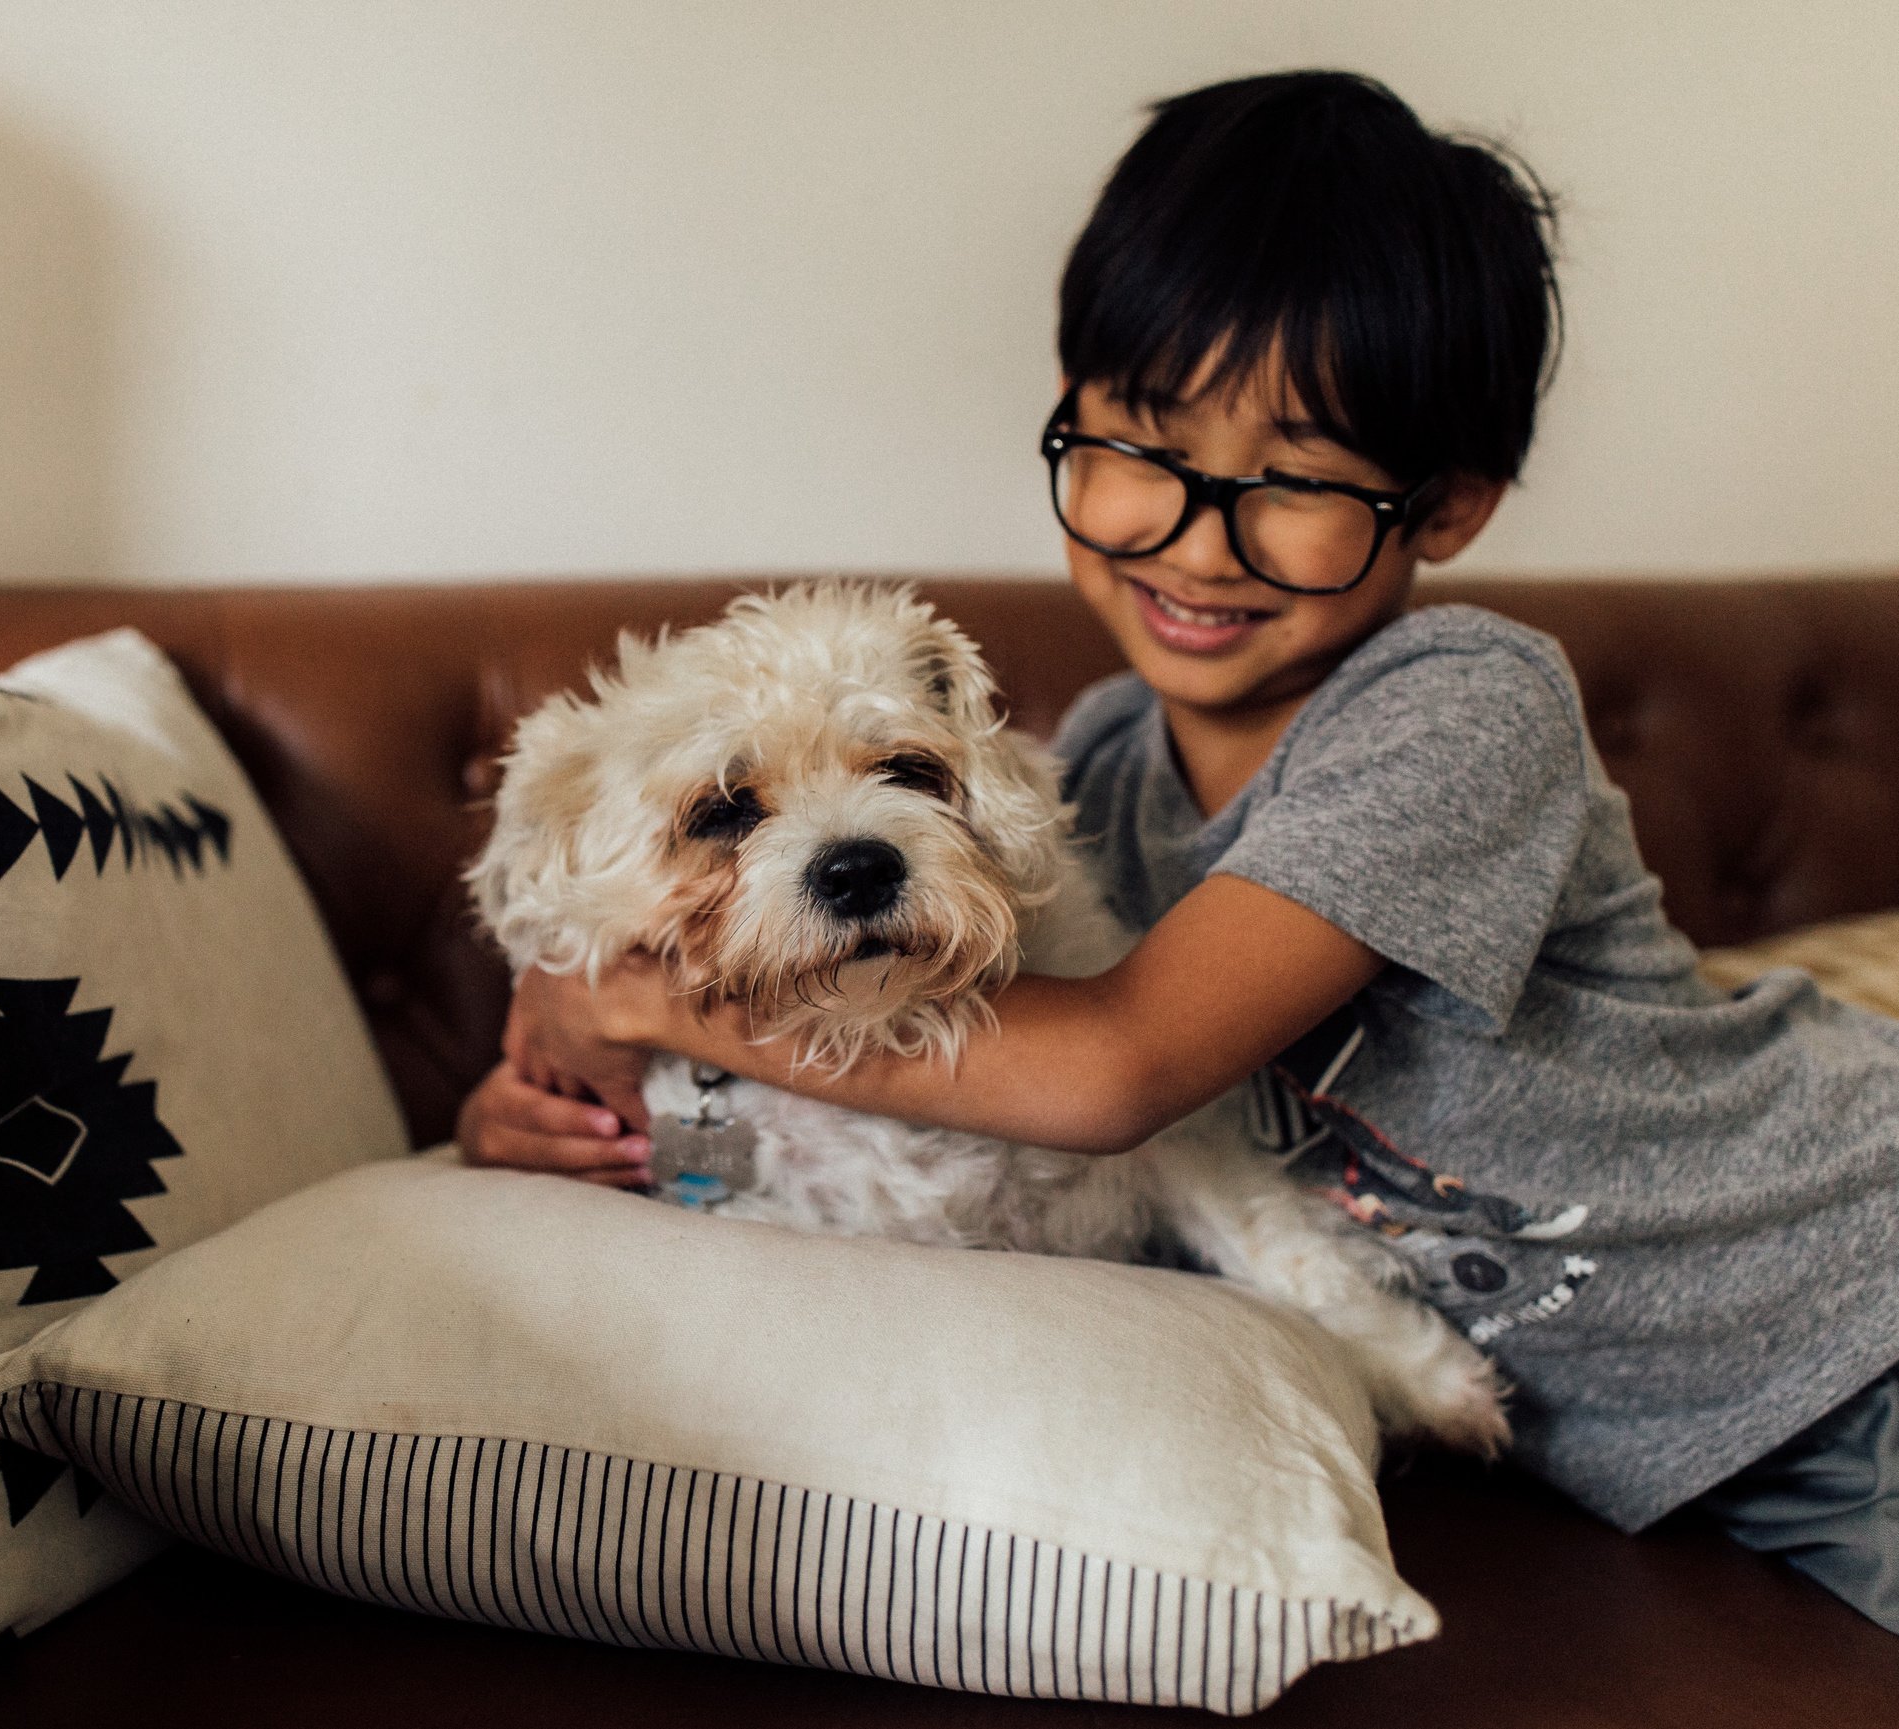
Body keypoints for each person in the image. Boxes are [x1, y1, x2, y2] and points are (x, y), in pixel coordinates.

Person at [454, 69, 1899, 1633]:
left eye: (1294, 478)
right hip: (1679, 1443)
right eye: (1141, 443)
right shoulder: (1090, 769)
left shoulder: (1460, 703)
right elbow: (880, 1077)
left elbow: (1111, 1070)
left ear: (1451, 504)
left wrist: (636, 1002)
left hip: (1841, 1304)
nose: (1199, 540)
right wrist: (553, 1108)